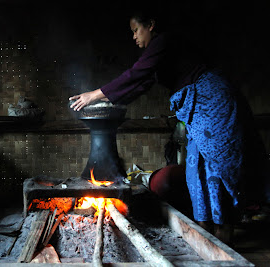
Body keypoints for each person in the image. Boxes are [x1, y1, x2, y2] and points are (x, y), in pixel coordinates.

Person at [69, 10, 268, 244]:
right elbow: (139, 84)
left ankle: (225, 233)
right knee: (196, 169)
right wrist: (107, 100)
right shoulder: (160, 59)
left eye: (136, 30)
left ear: (151, 25)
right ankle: (204, 233)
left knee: (216, 166)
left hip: (215, 103)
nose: (134, 37)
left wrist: (95, 95)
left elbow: (136, 73)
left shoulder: (164, 40)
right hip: (197, 113)